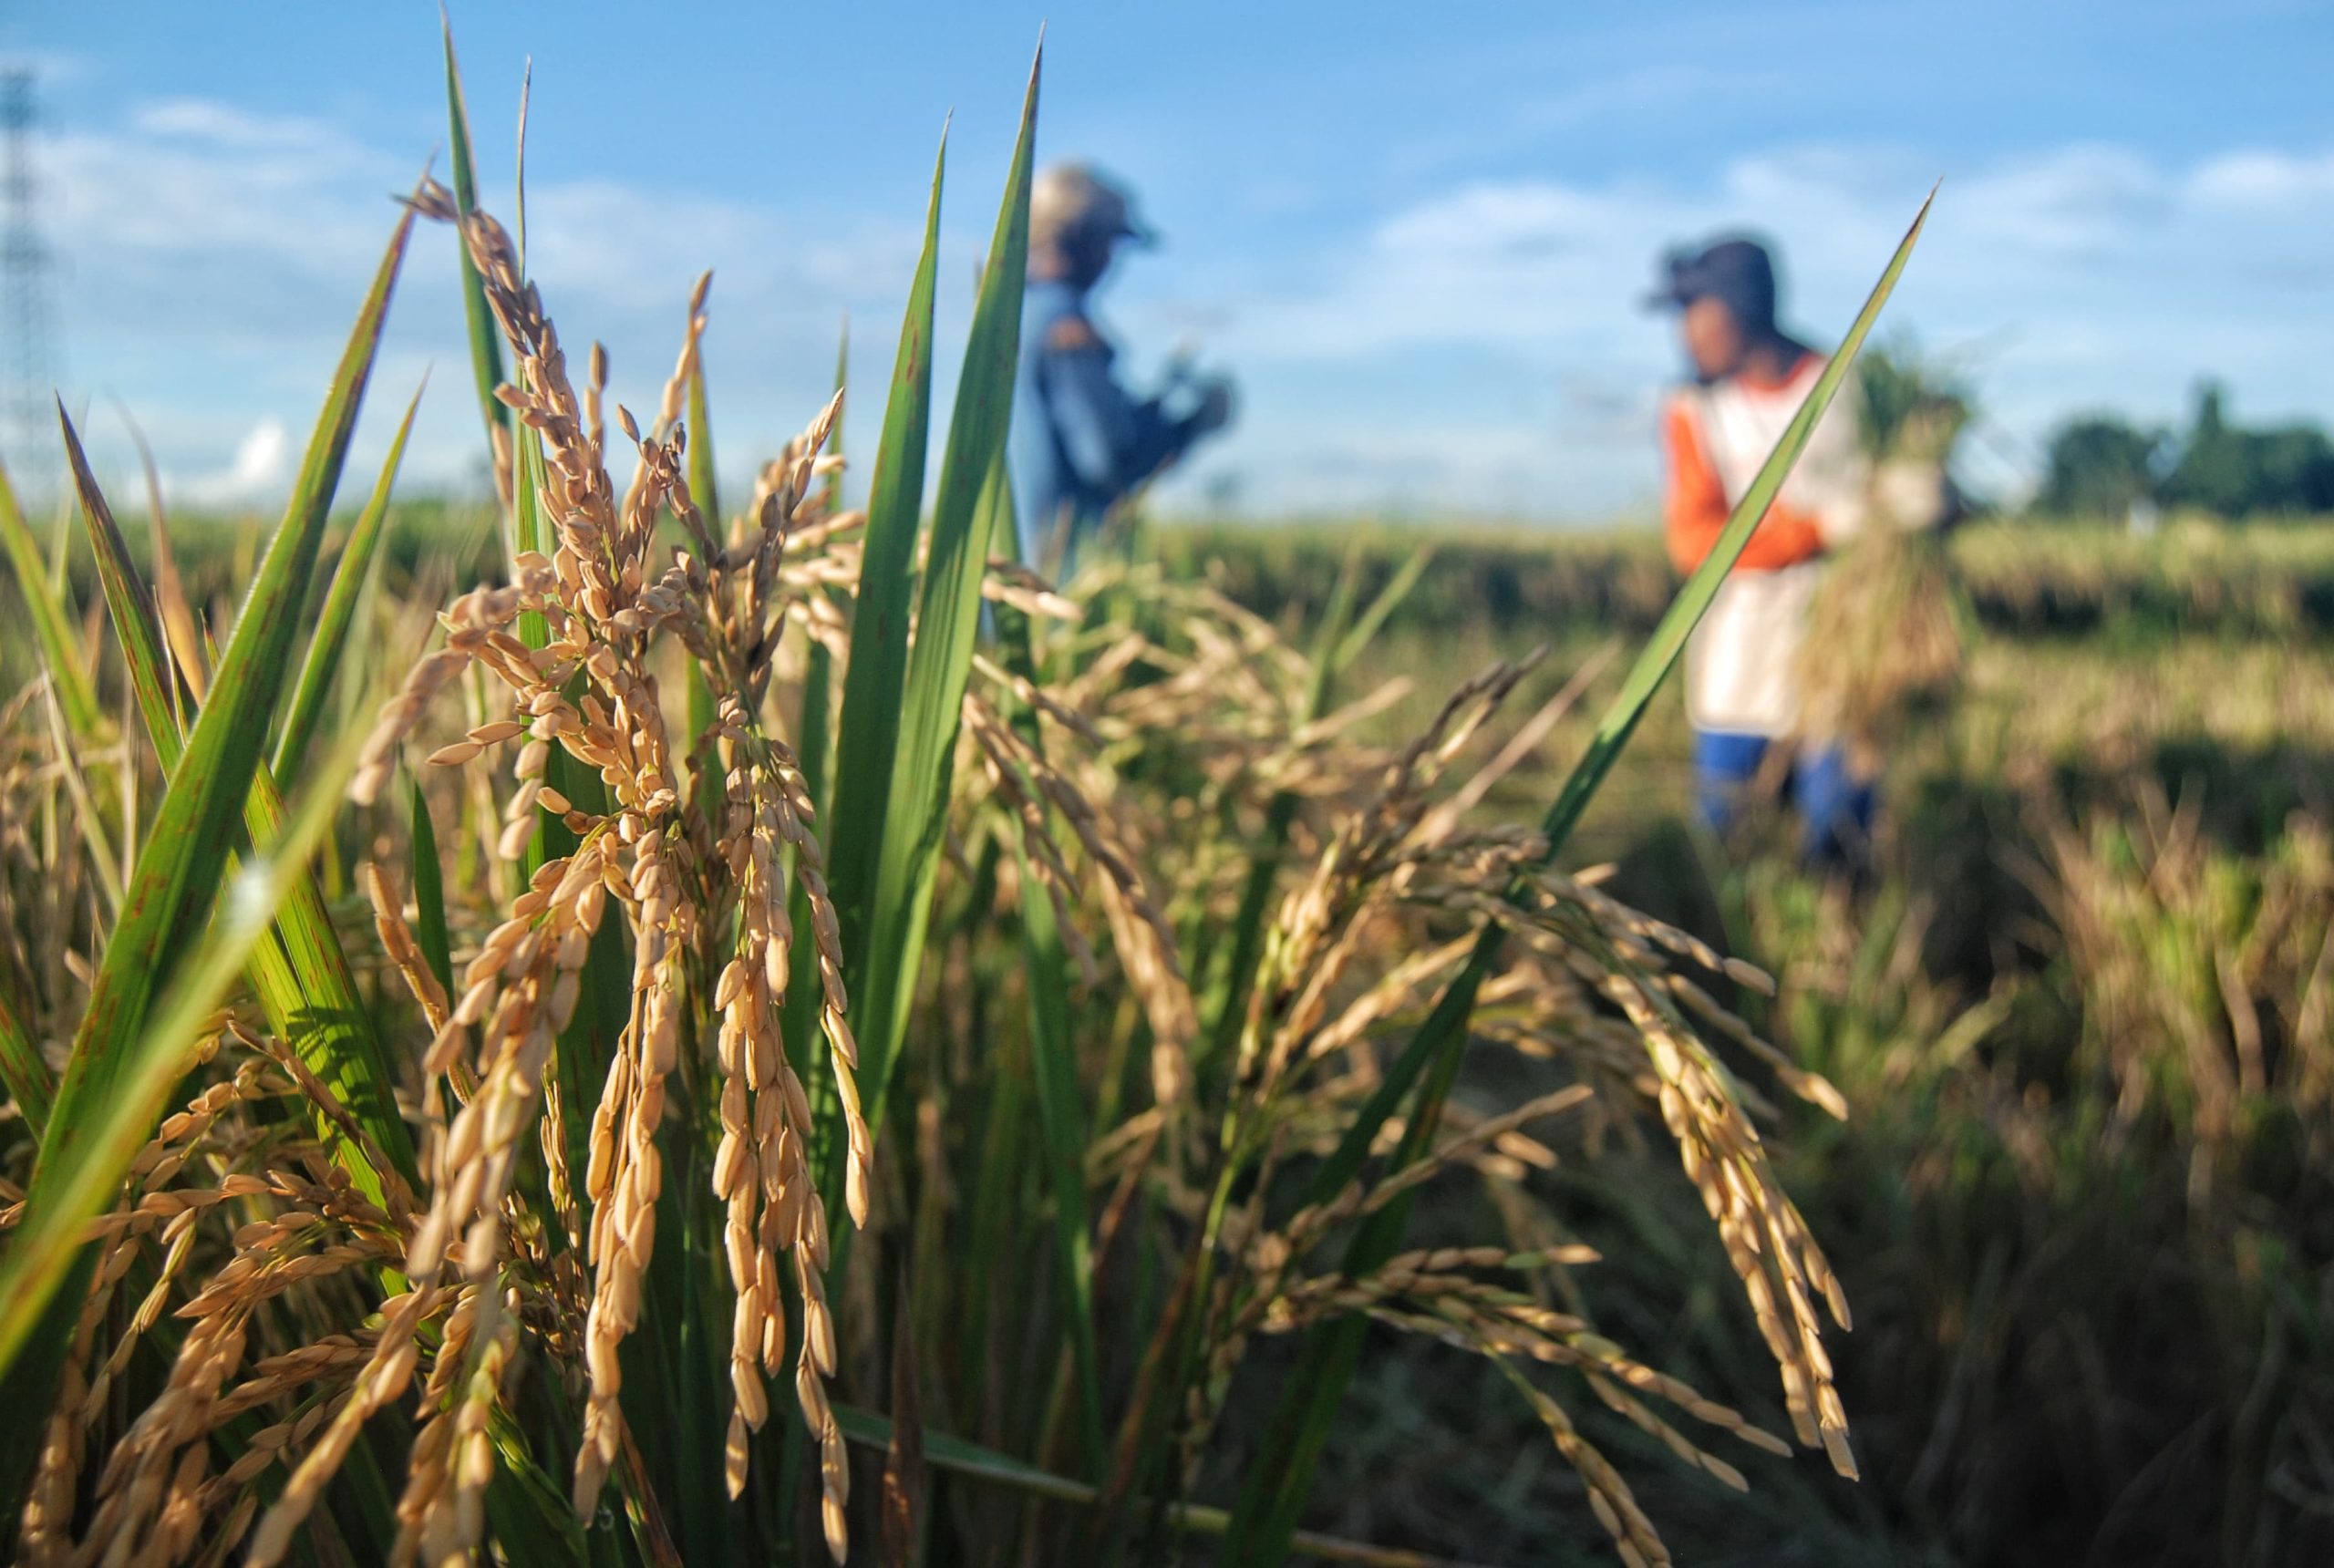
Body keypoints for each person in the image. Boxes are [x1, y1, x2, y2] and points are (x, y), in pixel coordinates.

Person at [1647, 235, 1876, 865]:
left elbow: (1898, 496)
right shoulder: (1694, 409)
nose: (1685, 335)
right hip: (1737, 665)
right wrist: (1820, 530)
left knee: (1838, 847)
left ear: (1741, 310)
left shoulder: (1849, 391)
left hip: (1840, 658)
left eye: (1696, 314)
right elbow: (1694, 542)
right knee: (1720, 847)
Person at [1008, 162, 1234, 578]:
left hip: (1004, 571)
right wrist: (1192, 425)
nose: (1111, 260)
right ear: (1083, 239)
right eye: (1109, 243)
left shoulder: (1008, 322)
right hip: (1062, 579)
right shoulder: (1066, 327)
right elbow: (1109, 455)